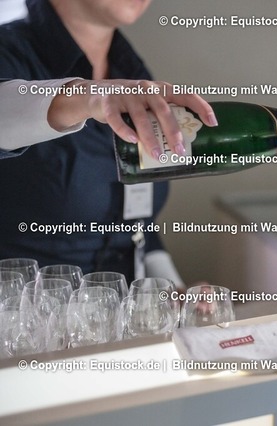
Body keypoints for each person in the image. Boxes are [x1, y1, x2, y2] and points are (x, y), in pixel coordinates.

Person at [0, 0, 217, 286]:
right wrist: (87, 97)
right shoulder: (9, 52)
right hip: (26, 310)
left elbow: (135, 222)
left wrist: (171, 288)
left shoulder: (132, 72)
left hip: (117, 310)